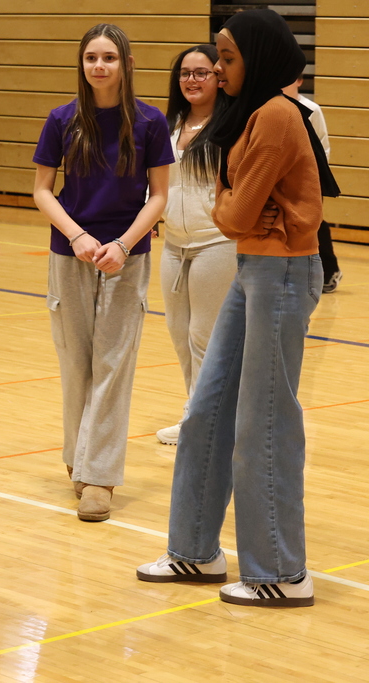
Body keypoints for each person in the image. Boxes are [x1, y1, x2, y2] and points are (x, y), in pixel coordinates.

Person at [137, 9, 339, 607]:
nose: (217, 70)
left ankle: (281, 570)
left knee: (264, 423)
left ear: (257, 57)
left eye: (226, 59)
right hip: (254, 267)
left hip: (279, 273)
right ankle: (196, 551)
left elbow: (232, 214)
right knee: (207, 409)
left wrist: (231, 201)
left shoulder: (277, 115)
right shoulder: (251, 113)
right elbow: (236, 208)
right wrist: (234, 202)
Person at [32, 24, 174, 521]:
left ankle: (100, 478)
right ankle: (79, 459)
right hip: (69, 252)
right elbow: (43, 191)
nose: (99, 66)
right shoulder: (62, 119)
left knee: (114, 367)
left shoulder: (151, 122)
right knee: (77, 363)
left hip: (125, 256)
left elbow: (158, 196)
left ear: (126, 64)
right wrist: (78, 236)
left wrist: (123, 243)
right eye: (91, 57)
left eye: (109, 58)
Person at [155, 45, 234, 446]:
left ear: (218, 78)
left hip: (216, 244)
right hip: (172, 246)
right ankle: (195, 412)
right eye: (185, 73)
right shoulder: (168, 124)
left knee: (204, 336)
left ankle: (205, 424)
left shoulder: (230, 125)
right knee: (179, 333)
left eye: (201, 72)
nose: (192, 80)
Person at [283, 76, 342, 293]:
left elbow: (322, 147)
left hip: (307, 179)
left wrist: (311, 178)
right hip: (280, 180)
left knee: (313, 224)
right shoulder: (268, 106)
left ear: (298, 80)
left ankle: (329, 270)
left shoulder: (311, 109)